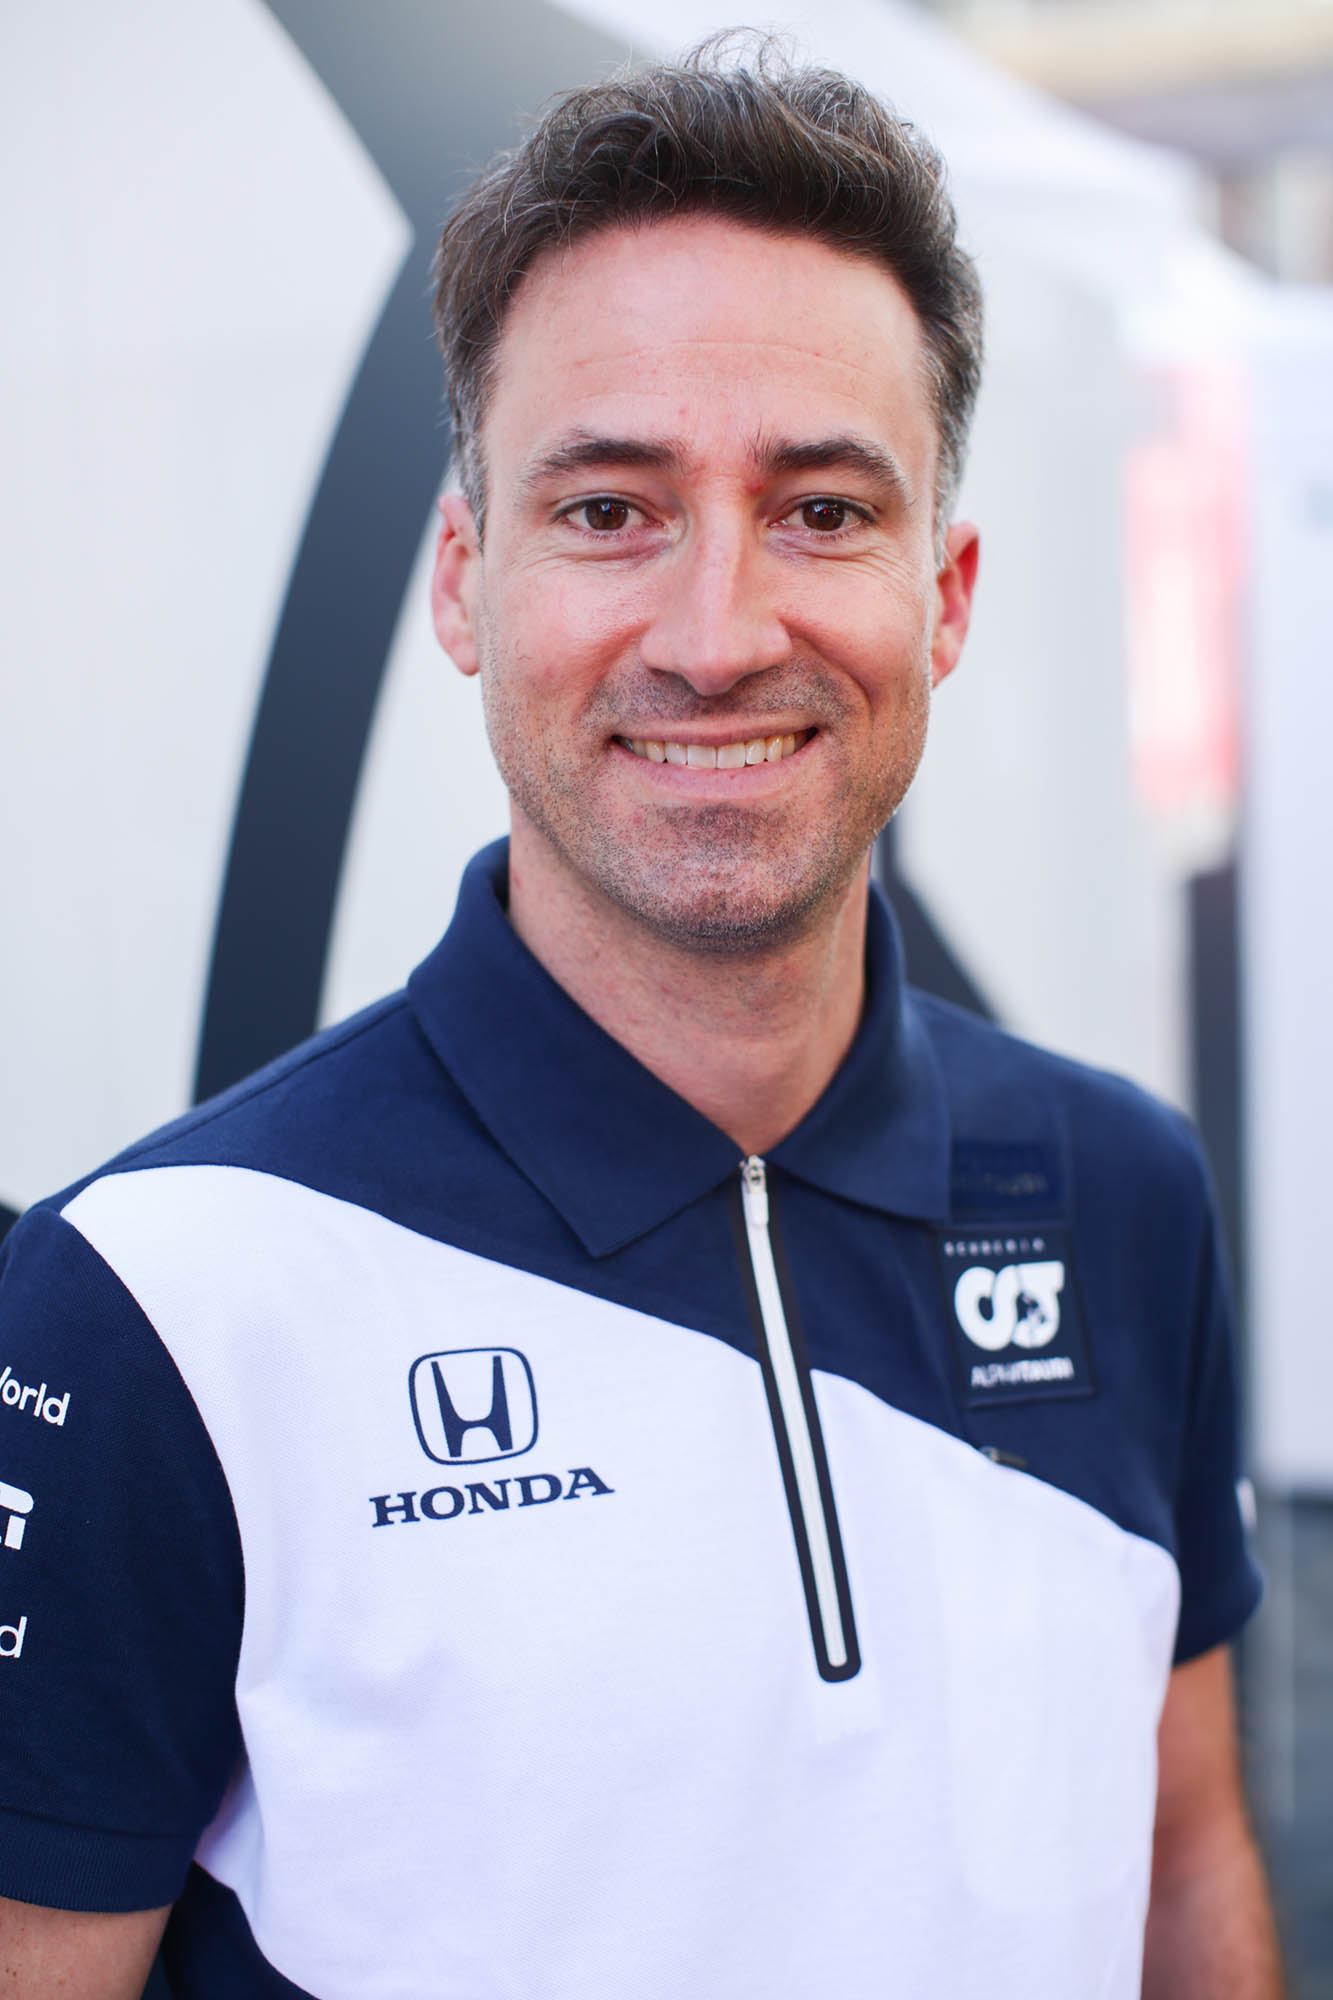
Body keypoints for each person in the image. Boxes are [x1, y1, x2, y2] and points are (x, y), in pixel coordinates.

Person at [0, 37, 1281, 2000]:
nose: (714, 633)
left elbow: (1180, 1867)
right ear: (465, 581)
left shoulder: (1118, 1192)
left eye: (821, 511)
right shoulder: (154, 1297)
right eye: (608, 508)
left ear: (944, 596)